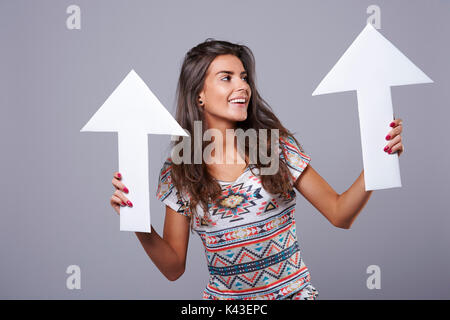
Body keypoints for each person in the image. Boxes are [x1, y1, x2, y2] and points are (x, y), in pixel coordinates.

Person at [109, 40, 404, 300]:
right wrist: (136, 220)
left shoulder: (275, 148)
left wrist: (381, 159)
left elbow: (340, 214)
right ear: (199, 94)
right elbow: (173, 267)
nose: (243, 87)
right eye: (227, 78)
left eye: (244, 77)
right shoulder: (181, 171)